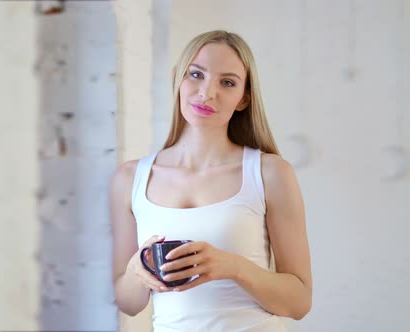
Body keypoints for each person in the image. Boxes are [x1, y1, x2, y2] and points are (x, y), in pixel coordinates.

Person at [109, 30, 312, 331]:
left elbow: (298, 303)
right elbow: (128, 302)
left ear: (243, 98)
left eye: (227, 82)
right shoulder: (129, 178)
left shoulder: (270, 173)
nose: (206, 93)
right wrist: (137, 271)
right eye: (196, 75)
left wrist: (234, 267)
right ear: (178, 78)